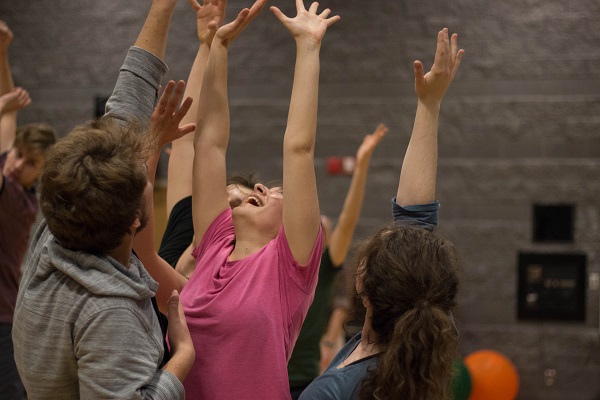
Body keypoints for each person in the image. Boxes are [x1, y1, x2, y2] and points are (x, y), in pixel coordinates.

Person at [137, 1, 340, 398]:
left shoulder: (289, 266)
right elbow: (209, 144)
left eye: (275, 191)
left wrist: (308, 48)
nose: (263, 189)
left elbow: (298, 148)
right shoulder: (214, 245)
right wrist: (219, 50)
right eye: (263, 187)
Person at [11, 1, 196, 398]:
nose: (147, 174)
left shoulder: (56, 226)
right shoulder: (109, 312)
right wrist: (181, 356)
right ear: (135, 220)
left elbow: (130, 92)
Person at [299, 27, 464, 400]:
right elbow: (415, 218)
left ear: (362, 286)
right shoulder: (413, 339)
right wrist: (429, 105)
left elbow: (415, 223)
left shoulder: (331, 393)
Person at [288, 123, 388, 398]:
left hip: (302, 381)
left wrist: (362, 164)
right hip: (264, 378)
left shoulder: (323, 267)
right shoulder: (275, 262)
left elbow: (348, 219)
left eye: (324, 229)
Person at [0, 19, 55, 400]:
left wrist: (2, 106)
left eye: (30, 163)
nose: (18, 164)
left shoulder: (17, 200)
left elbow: (2, 111)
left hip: (1, 319)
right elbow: (9, 115)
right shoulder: (7, 166)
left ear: (41, 172)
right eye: (19, 154)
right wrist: (2, 52)